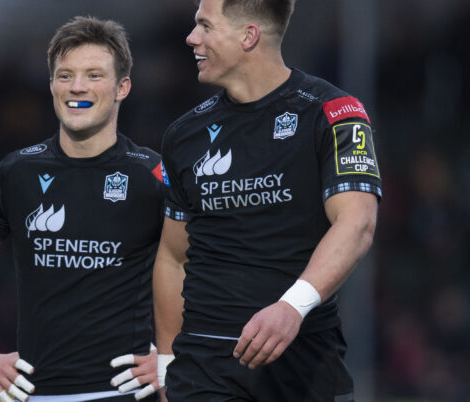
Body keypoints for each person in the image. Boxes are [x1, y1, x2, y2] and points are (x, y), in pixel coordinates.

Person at [153, 0, 381, 401]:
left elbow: (357, 222)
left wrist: (292, 307)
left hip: (303, 361)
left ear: (248, 36)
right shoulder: (183, 135)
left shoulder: (334, 113)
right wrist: (167, 365)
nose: (191, 38)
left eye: (205, 26)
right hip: (204, 368)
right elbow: (173, 258)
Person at [0, 16, 165, 402]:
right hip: (36, 393)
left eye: (94, 75)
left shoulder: (154, 176)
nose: (77, 86)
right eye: (65, 76)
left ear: (122, 87)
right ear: (52, 86)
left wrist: (175, 355)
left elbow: (204, 265)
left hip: (125, 394)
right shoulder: (16, 173)